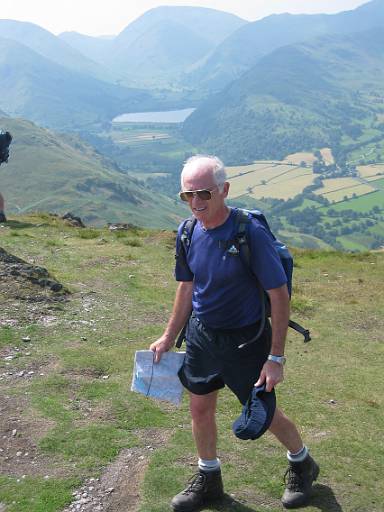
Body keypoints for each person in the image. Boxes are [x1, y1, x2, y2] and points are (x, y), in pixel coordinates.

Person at [150, 155, 319, 511]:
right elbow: (186, 287)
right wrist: (169, 336)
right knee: (199, 408)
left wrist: (275, 358)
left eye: (204, 194)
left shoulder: (248, 233)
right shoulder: (188, 231)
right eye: (187, 195)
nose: (196, 203)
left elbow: (279, 297)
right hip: (202, 336)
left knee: (262, 414)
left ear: (224, 190)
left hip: (245, 340)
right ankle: (209, 478)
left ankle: (302, 462)